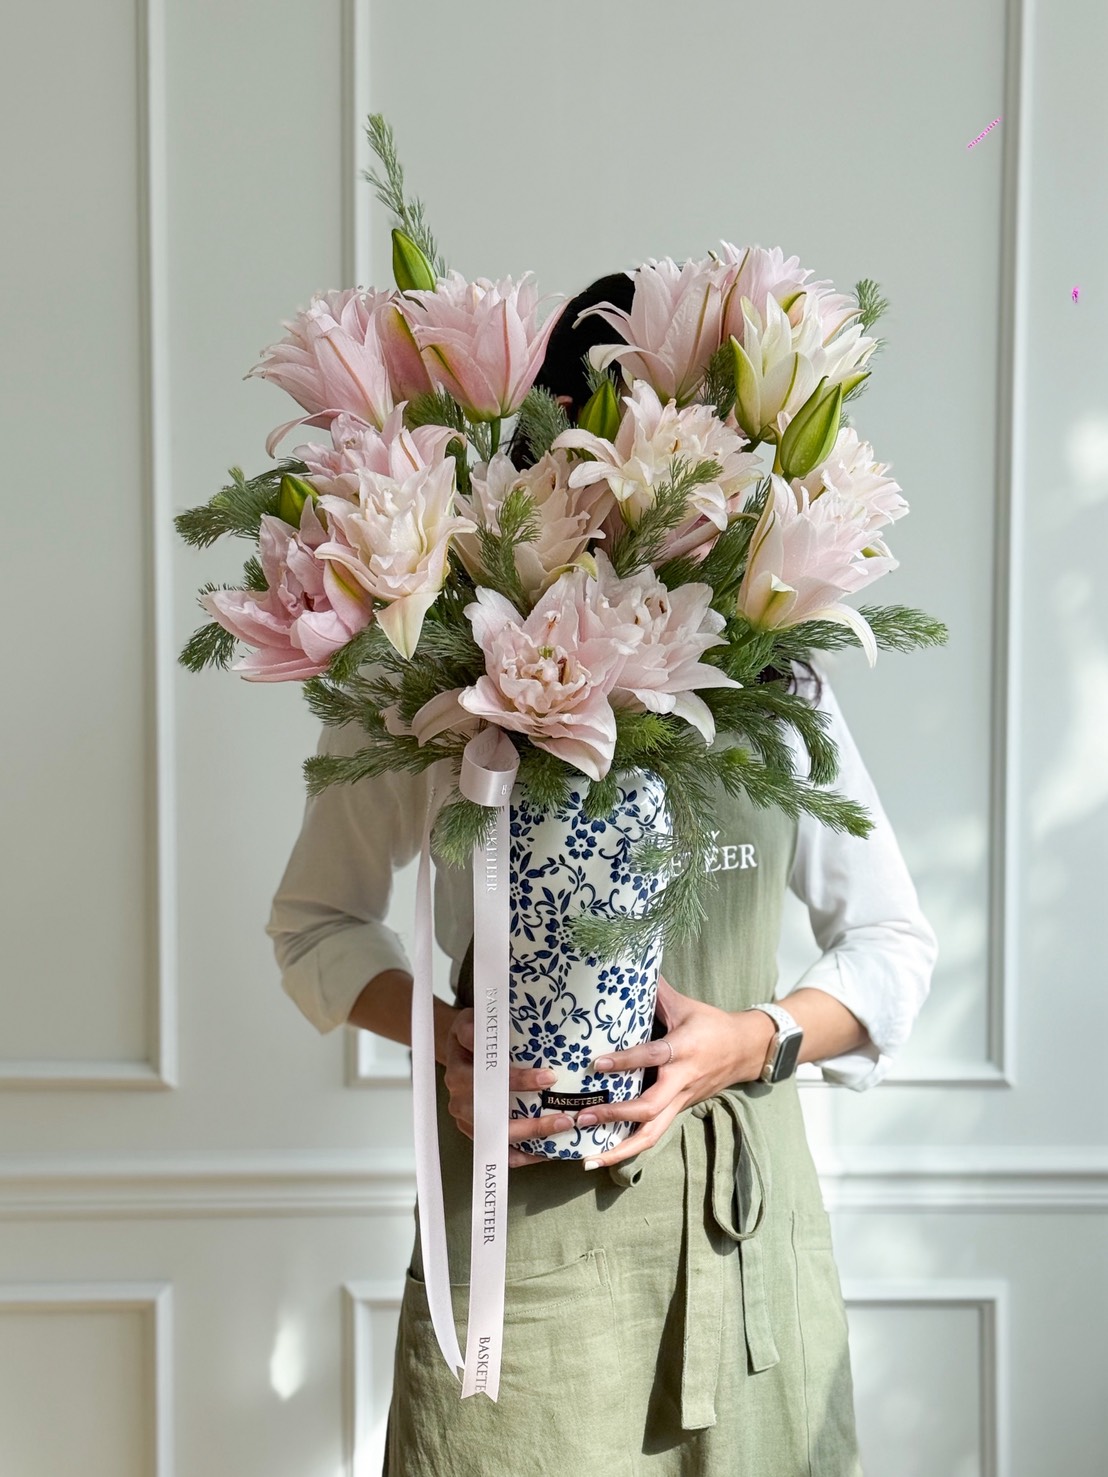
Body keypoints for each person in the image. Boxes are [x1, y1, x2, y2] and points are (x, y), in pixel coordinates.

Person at [264, 270, 939, 1476]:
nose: (649, 511)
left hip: (744, 1259)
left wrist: (748, 1040)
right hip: (523, 1264)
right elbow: (315, 923)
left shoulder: (780, 681)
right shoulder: (440, 683)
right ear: (531, 466)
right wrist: (443, 1037)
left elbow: (894, 947)